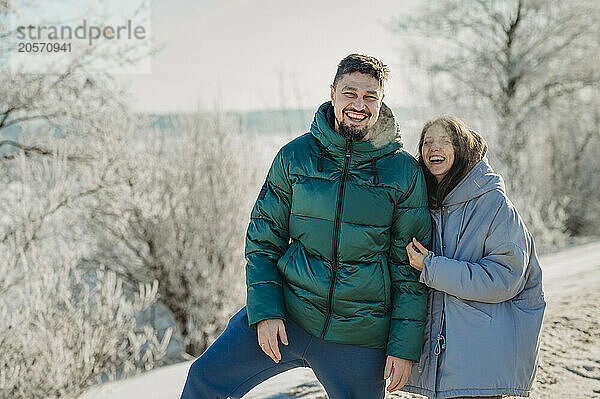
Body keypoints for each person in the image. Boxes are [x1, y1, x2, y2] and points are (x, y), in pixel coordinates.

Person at [180, 54, 432, 398]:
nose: (359, 104)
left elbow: (409, 267)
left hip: (359, 331)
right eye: (350, 93)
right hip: (288, 312)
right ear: (332, 93)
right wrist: (267, 312)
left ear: (382, 100)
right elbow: (263, 242)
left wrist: (403, 347)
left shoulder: (403, 172)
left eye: (370, 96)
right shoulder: (294, 157)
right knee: (203, 380)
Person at [403, 116, 546, 399]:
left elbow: (504, 278)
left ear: (463, 149)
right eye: (427, 142)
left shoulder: (494, 204)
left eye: (445, 141)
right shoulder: (425, 204)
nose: (435, 148)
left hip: (482, 358)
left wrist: (431, 267)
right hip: (447, 361)